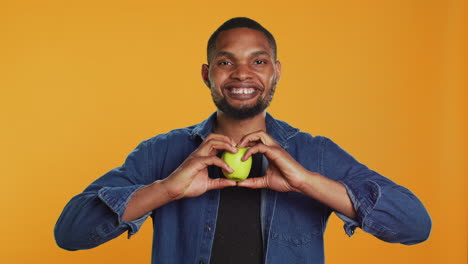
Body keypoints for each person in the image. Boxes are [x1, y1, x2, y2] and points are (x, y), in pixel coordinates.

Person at [54, 17, 431, 264]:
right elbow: (69, 233)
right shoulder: (162, 152)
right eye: (226, 62)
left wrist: (305, 182)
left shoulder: (312, 153)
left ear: (276, 72)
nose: (242, 74)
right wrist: (166, 189)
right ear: (207, 74)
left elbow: (415, 225)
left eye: (259, 61)